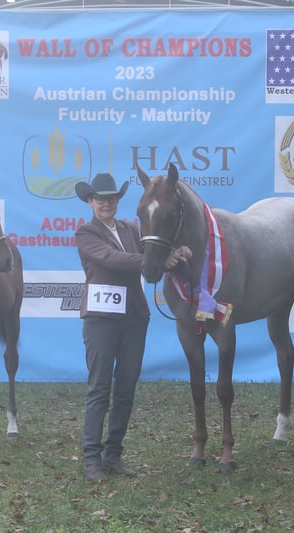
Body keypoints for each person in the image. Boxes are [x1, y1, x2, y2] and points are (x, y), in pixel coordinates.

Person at [75, 172, 190, 481]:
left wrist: (173, 254)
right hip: (101, 319)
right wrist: (151, 261)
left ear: (118, 200)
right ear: (90, 202)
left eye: (111, 198)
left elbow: (152, 252)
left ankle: (113, 455)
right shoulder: (86, 233)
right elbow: (110, 258)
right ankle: (92, 459)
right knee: (99, 388)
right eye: (100, 199)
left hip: (134, 318)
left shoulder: (132, 228)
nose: (106, 203)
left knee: (125, 389)